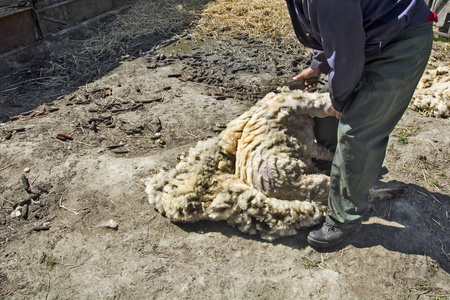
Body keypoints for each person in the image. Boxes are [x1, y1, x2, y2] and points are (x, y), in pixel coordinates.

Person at [285, 0, 437, 248]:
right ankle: (333, 170)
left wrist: (341, 99)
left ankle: (344, 217)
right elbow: (337, 29)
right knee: (324, 115)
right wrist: (317, 66)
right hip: (368, 39)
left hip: (400, 41)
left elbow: (346, 49)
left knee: (358, 130)